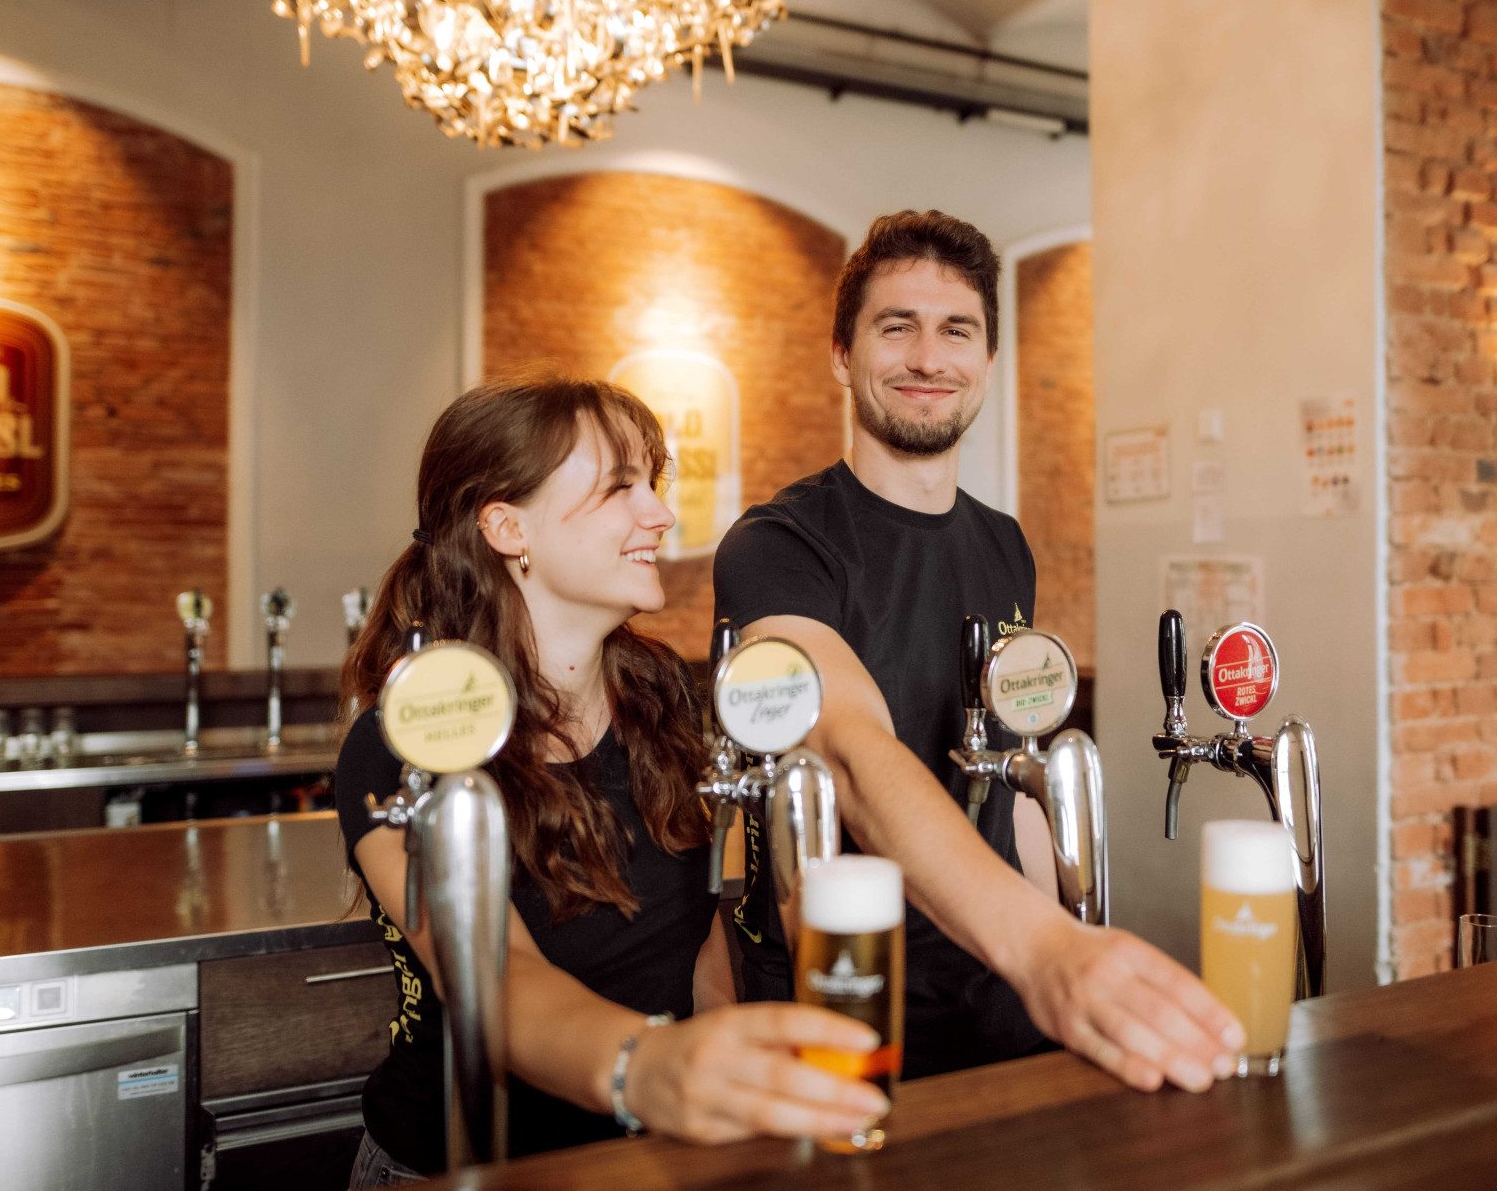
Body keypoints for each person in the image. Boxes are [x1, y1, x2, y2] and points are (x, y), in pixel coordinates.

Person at [714, 211, 1244, 1091]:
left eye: (957, 330)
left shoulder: (1004, 544)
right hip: (848, 997)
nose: (929, 358)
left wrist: (1077, 937)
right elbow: (845, 750)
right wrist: (1044, 948)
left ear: (988, 361)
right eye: (897, 327)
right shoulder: (779, 546)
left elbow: (1014, 774)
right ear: (841, 354)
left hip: (999, 996)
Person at [334, 378, 887, 1187]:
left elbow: (698, 949)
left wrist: (742, 1097)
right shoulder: (409, 740)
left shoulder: (665, 703)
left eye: (653, 484)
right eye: (620, 487)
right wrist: (647, 1066)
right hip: (461, 1165)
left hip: (651, 1160)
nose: (660, 515)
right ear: (505, 525)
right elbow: (494, 973)